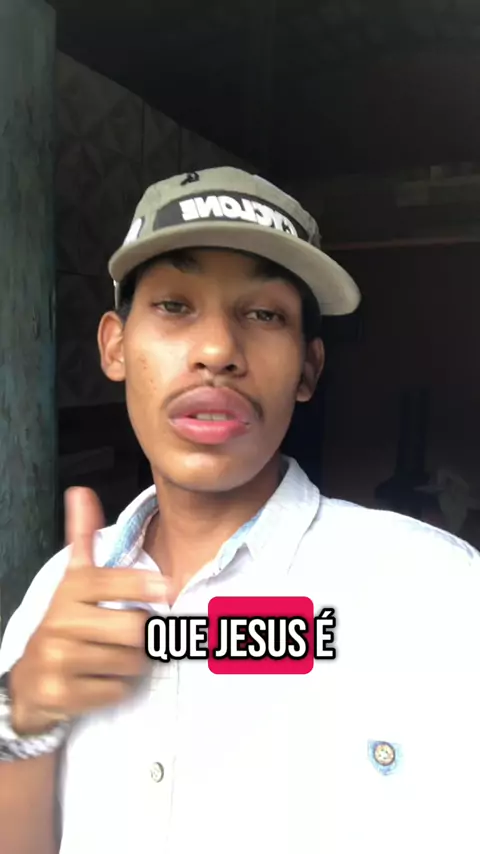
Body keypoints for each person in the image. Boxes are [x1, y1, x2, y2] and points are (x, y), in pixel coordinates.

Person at [0, 166, 479, 854]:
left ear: (309, 368)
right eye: (175, 305)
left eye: (264, 315)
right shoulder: (55, 595)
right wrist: (22, 716)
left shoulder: (439, 596)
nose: (218, 351)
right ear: (115, 346)